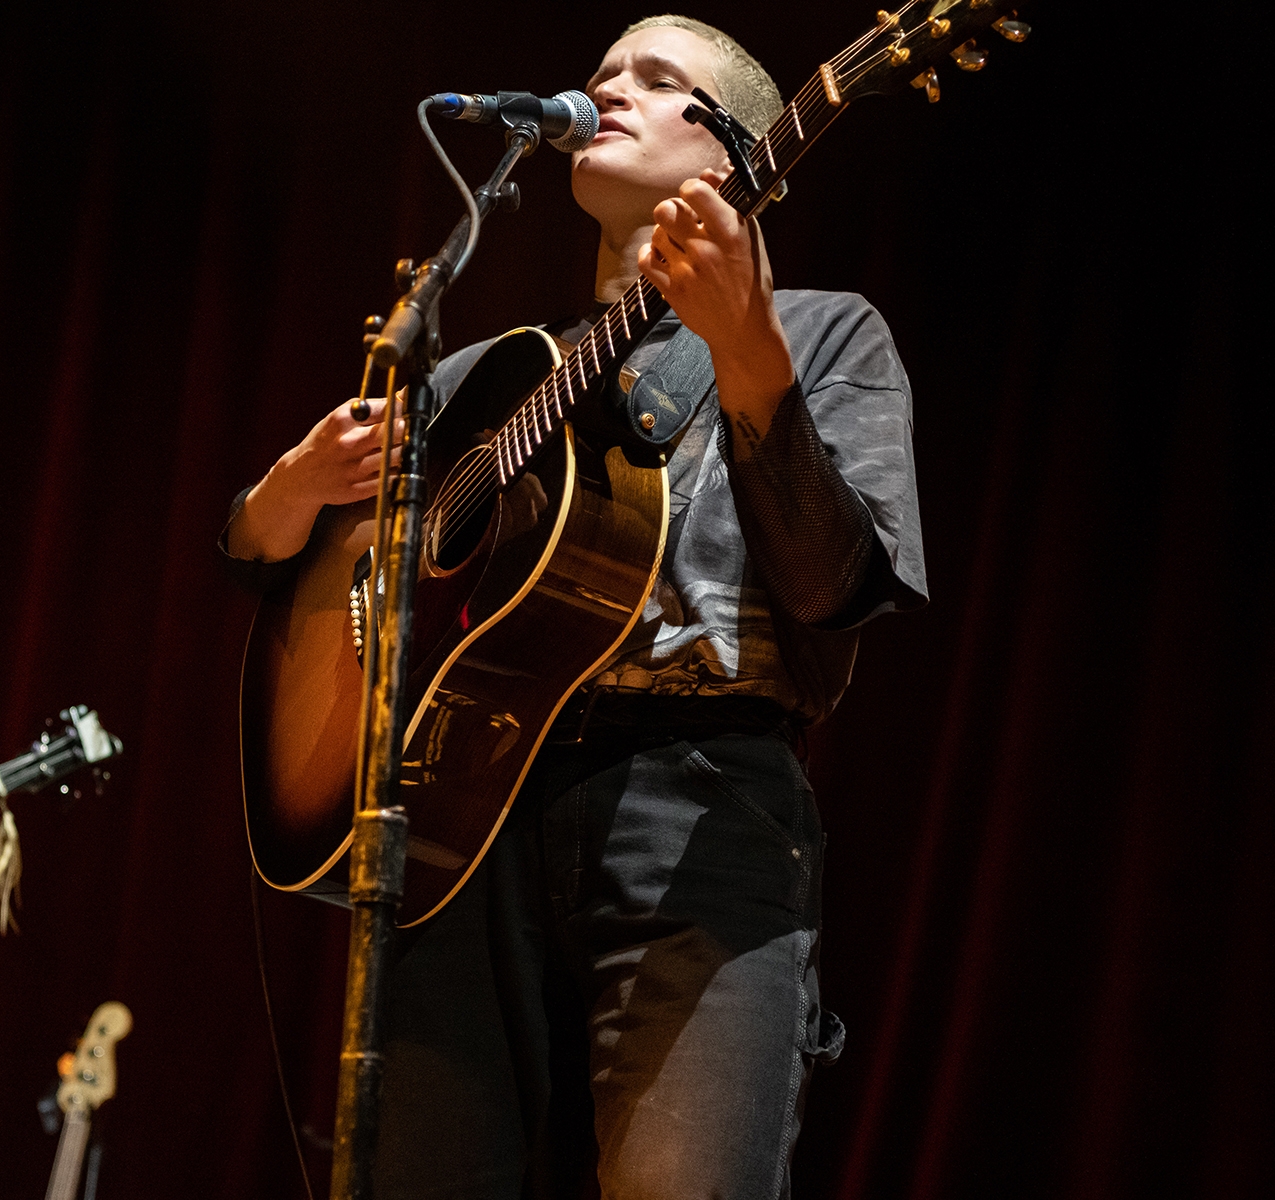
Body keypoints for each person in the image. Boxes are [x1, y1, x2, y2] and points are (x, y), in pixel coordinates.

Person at [224, 15, 926, 1199]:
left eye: (658, 79)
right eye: (603, 71)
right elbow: (284, 560)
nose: (608, 87)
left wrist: (751, 357)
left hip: (697, 817)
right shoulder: (488, 376)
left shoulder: (823, 332)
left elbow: (833, 588)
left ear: (742, 156)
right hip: (463, 820)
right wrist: (280, 500)